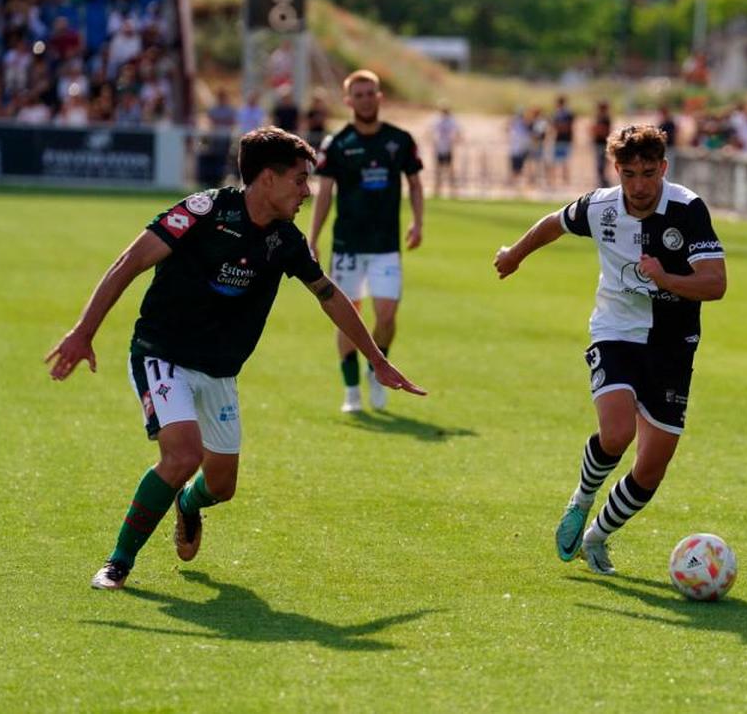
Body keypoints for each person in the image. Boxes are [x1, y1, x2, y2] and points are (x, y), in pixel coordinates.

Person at [45, 127, 425, 591]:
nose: (307, 191)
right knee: (182, 454)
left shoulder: (286, 240)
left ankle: (188, 505)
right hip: (161, 353)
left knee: (220, 486)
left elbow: (329, 296)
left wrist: (377, 360)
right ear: (268, 178)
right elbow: (130, 262)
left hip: (220, 372)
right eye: (300, 180)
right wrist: (84, 332)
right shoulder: (202, 211)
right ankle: (118, 562)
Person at [494, 124, 727, 575]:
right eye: (628, 174)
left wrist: (665, 279)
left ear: (663, 168)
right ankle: (581, 499)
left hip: (672, 342)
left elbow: (715, 283)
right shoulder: (600, 206)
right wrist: (516, 254)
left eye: (647, 174)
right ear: (615, 170)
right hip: (615, 329)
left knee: (650, 469)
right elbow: (554, 223)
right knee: (617, 432)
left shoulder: (687, 208)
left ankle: (597, 536)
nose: (638, 186)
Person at [310, 69, 425, 412]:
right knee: (350, 316)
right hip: (347, 245)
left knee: (387, 316)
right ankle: (351, 391)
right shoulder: (337, 143)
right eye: (357, 94)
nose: (365, 99)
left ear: (379, 96)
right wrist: (313, 237)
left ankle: (377, 372)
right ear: (348, 101)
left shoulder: (400, 140)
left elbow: (416, 184)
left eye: (370, 92)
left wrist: (418, 223)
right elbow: (324, 194)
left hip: (386, 246)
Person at [430, 105, 461, 197]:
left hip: (448, 147)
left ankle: (453, 191)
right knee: (438, 170)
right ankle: (437, 190)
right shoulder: (437, 120)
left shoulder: (451, 120)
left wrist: (455, 140)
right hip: (439, 147)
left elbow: (458, 132)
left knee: (450, 170)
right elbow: (430, 132)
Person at [549, 96, 575, 186]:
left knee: (565, 161)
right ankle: (555, 181)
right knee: (556, 161)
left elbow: (567, 127)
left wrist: (559, 127)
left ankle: (565, 181)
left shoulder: (567, 114)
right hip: (559, 139)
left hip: (566, 140)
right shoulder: (557, 114)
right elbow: (554, 126)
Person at [591, 100, 612, 189]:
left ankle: (603, 181)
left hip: (602, 143)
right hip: (598, 142)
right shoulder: (599, 118)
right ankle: (602, 180)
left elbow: (604, 131)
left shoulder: (605, 118)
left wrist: (597, 130)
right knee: (600, 164)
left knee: (602, 164)